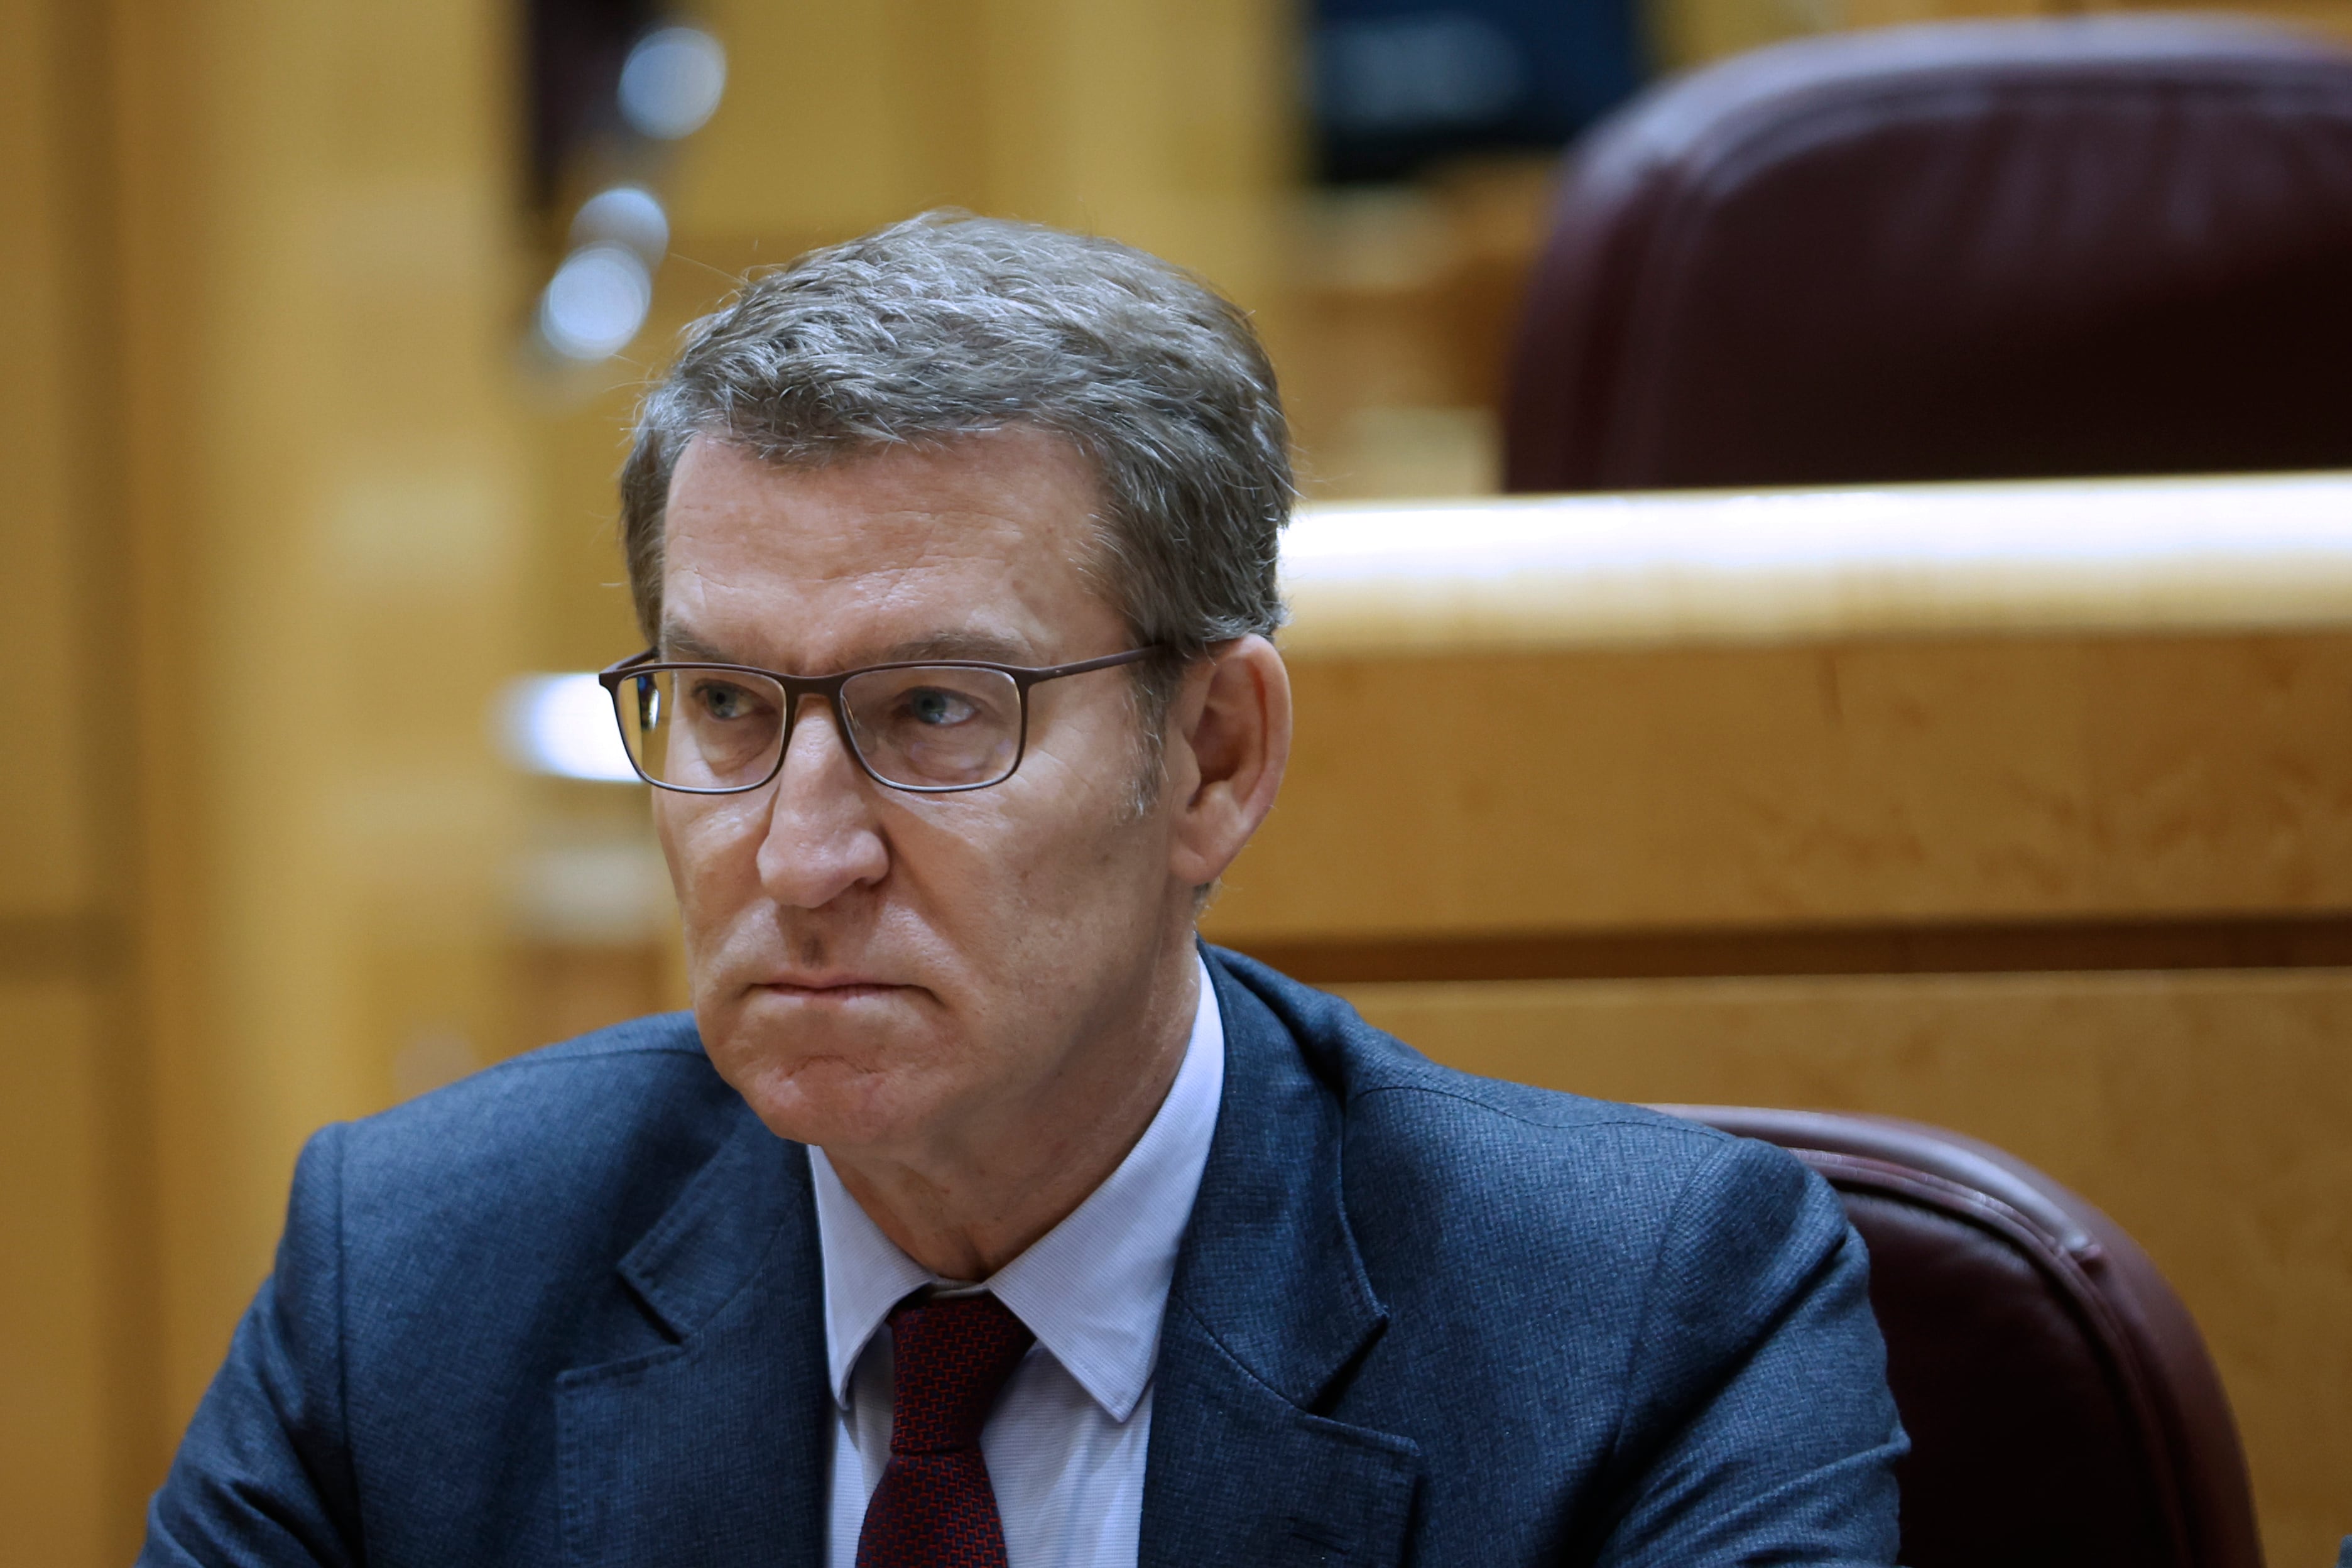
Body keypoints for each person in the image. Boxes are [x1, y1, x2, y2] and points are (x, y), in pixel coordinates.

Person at [141, 214, 1904, 1568]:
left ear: (1210, 755)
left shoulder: (1646, 1326)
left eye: (933, 714)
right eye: (731, 709)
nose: (801, 852)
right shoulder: (418, 1283)